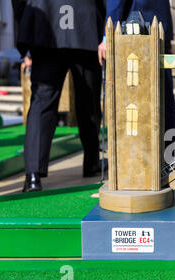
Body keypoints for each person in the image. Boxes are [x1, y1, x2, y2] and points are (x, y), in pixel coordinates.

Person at [13, 0, 106, 192]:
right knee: (88, 100)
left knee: (41, 103)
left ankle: (33, 174)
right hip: (85, 24)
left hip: (46, 24)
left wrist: (24, 33)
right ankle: (91, 162)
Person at [99, 0, 175, 148]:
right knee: (163, 94)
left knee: (132, 97)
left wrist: (106, 37)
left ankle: (138, 155)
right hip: (159, 24)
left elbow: (116, 3)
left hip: (137, 29)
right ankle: (166, 156)